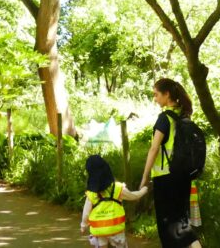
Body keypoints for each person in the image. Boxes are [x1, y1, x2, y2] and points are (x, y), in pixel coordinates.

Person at [140, 78, 203, 248]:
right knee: (181, 224)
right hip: (183, 178)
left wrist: (145, 177)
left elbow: (154, 149)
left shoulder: (164, 118)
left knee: (168, 227)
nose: (155, 98)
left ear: (166, 94)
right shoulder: (183, 117)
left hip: (165, 178)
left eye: (156, 94)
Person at [81, 154, 148, 247]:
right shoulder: (118, 188)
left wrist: (83, 225)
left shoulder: (91, 193)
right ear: (107, 170)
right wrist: (144, 190)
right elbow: (133, 196)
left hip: (99, 231)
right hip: (116, 231)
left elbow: (86, 213)